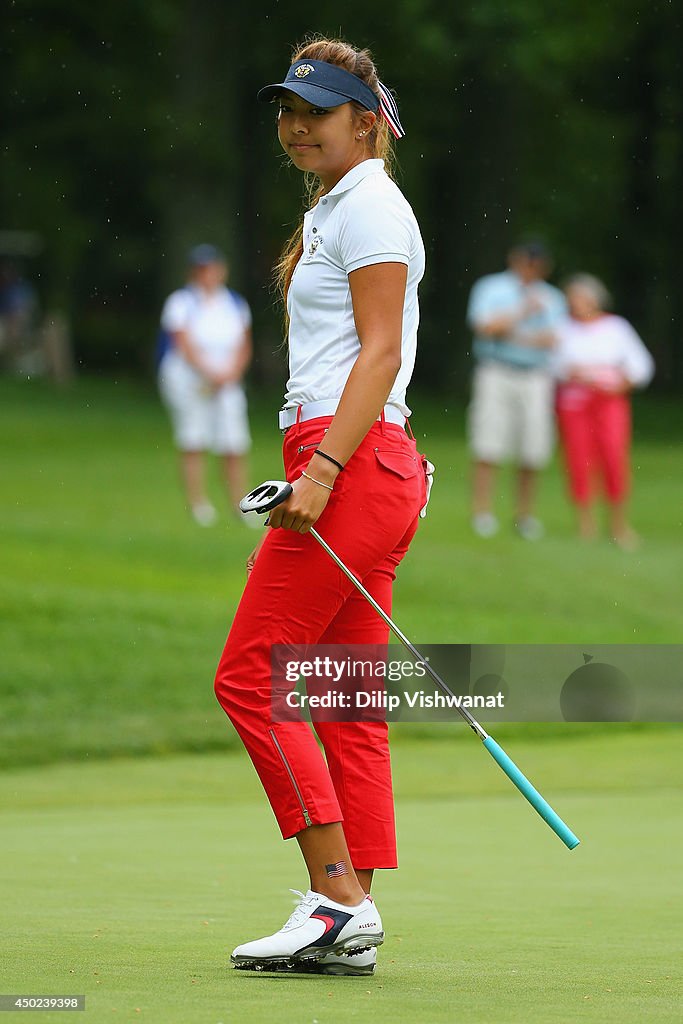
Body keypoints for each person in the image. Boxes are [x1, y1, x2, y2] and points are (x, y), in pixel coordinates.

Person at [213, 37, 427, 976]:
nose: (297, 126)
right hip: (363, 458)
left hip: (348, 458)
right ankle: (353, 914)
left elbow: (376, 356)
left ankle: (336, 898)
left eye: (319, 111)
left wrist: (324, 472)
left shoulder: (371, 203)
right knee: (339, 698)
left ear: (366, 122)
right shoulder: (343, 203)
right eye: (287, 111)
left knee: (253, 676)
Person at [466, 241, 566, 539]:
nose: (532, 269)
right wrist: (522, 312)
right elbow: (485, 327)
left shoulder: (553, 297)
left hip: (535, 376)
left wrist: (509, 332)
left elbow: (553, 340)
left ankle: (525, 515)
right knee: (488, 442)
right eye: (528, 262)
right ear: (516, 260)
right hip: (496, 371)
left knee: (532, 447)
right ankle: (482, 513)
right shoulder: (492, 288)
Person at [554, 274, 654, 548]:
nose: (574, 304)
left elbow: (641, 365)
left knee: (613, 457)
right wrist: (574, 373)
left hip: (609, 403)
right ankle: (585, 523)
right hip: (575, 404)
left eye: (580, 298)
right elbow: (554, 364)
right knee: (579, 460)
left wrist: (622, 382)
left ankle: (618, 523)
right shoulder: (563, 329)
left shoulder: (616, 327)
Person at [158, 244, 255, 526]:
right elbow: (183, 343)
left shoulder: (234, 302)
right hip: (190, 381)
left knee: (233, 441)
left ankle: (240, 504)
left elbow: (244, 344)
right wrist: (210, 373)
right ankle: (199, 504)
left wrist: (231, 373)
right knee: (194, 439)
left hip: (227, 380)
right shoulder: (182, 302)